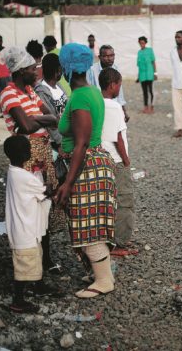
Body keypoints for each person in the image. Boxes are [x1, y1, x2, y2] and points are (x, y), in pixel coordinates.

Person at [55, 43, 117, 298]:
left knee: (88, 225)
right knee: (92, 222)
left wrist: (68, 183)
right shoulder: (91, 91)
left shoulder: (80, 97)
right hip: (95, 163)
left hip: (86, 167)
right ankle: (99, 273)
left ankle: (104, 281)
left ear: (66, 67)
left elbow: (81, 141)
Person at [0, 47, 62, 275]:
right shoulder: (8, 93)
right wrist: (40, 120)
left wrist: (36, 119)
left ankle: (44, 260)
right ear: (19, 71)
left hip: (43, 150)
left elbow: (52, 117)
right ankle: (32, 263)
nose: (36, 71)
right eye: (31, 69)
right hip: (26, 153)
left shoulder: (29, 90)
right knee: (32, 207)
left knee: (45, 205)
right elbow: (24, 127)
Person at [4, 136, 57, 313]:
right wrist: (53, 183)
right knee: (25, 266)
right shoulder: (24, 177)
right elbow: (46, 191)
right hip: (24, 231)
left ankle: (39, 286)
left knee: (35, 257)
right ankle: (17, 300)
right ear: (27, 153)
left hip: (24, 228)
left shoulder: (13, 171)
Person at [99, 67, 136, 257]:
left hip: (103, 158)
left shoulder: (97, 103)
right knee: (124, 201)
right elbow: (118, 138)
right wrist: (127, 161)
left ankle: (108, 238)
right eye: (119, 85)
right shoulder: (114, 106)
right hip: (116, 159)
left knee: (108, 200)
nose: (120, 89)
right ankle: (120, 242)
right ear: (112, 85)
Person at [34, 53, 68, 150]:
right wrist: (60, 143)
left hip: (67, 137)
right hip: (58, 142)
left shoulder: (58, 85)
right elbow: (49, 122)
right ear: (57, 71)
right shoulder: (42, 92)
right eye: (60, 68)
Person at [87, 44, 129, 122]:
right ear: (99, 57)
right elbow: (89, 92)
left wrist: (124, 111)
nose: (109, 59)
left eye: (111, 55)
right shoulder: (92, 71)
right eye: (106, 56)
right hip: (99, 109)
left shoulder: (116, 69)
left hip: (115, 108)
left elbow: (120, 93)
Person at [136, 36, 157, 114]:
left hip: (150, 74)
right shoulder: (139, 52)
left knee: (151, 91)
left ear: (145, 43)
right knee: (144, 92)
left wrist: (155, 73)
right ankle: (145, 107)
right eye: (140, 43)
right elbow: (139, 65)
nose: (142, 44)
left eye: (143, 43)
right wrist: (138, 77)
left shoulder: (150, 50)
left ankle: (151, 107)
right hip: (142, 75)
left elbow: (153, 62)